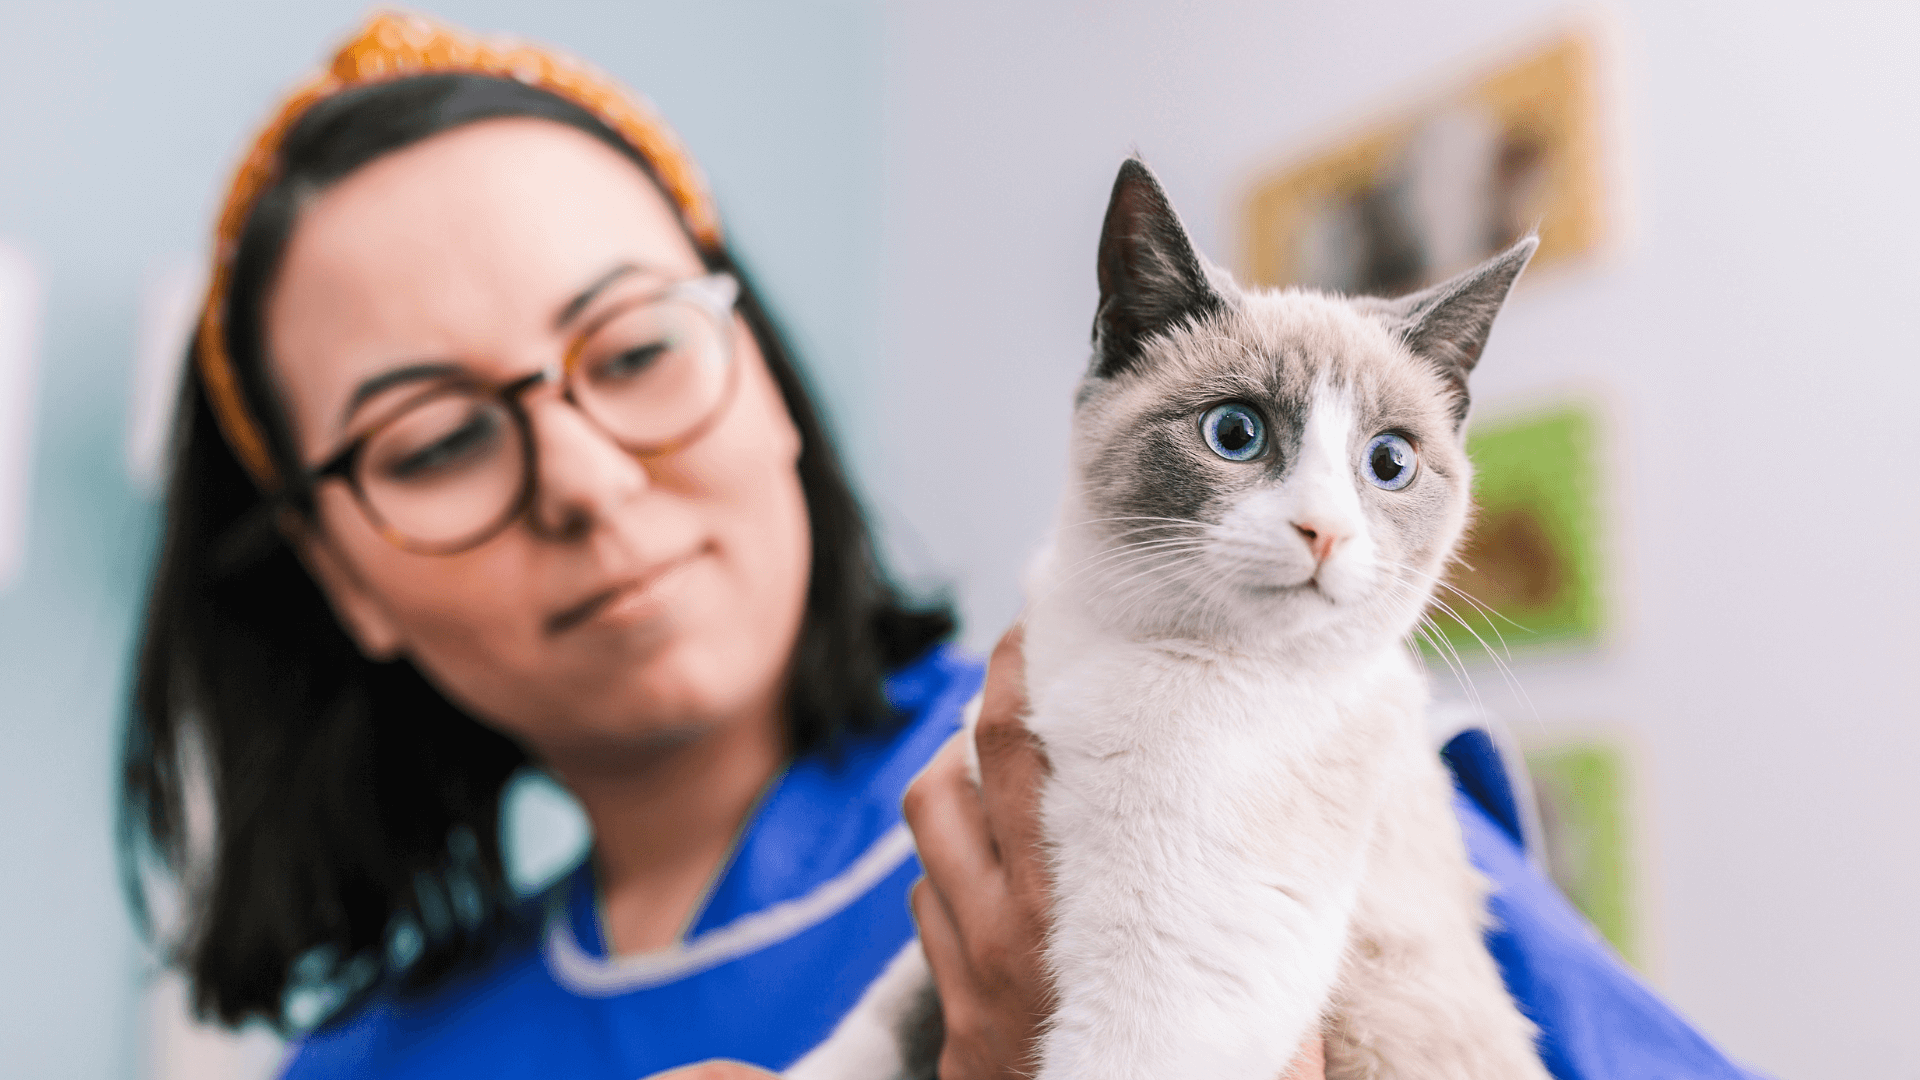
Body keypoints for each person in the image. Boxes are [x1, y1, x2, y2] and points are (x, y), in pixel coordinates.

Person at [118, 12, 1763, 1080]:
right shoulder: (358, 1062)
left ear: (763, 377)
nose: (583, 476)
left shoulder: (1266, 732)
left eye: (629, 351)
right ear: (341, 574)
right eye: (437, 438)